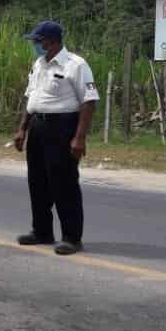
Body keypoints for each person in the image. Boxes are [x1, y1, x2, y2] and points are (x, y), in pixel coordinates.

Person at [13, 21, 99, 255]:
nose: (34, 46)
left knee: (64, 184)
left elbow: (89, 102)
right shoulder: (39, 64)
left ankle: (72, 237)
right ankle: (41, 231)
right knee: (37, 182)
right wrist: (22, 129)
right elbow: (32, 99)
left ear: (51, 41)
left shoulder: (76, 65)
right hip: (38, 126)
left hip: (63, 128)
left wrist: (79, 138)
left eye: (37, 41)